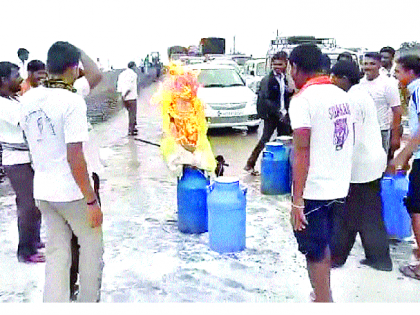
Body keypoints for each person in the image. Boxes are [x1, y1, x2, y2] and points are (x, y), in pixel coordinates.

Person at [20, 41, 104, 302]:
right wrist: (91, 200)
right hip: (72, 192)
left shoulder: (28, 98)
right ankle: (88, 302)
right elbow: (74, 156)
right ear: (72, 68)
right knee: (91, 249)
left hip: (44, 191)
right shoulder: (72, 101)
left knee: (57, 252)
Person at [288, 44, 354, 302]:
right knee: (323, 243)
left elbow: (301, 152)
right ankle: (322, 293)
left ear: (295, 67)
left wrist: (297, 200)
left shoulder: (303, 100)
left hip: (313, 190)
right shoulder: (341, 95)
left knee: (313, 250)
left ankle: (325, 301)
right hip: (339, 187)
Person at [329, 61, 392, 271]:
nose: (332, 82)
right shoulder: (361, 93)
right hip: (372, 162)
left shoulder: (351, 99)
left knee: (350, 215)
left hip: (362, 166)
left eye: (334, 78)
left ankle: (338, 257)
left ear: (344, 79)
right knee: (366, 214)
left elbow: (350, 137)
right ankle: (377, 258)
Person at [0, 61, 45, 263]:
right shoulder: (2, 104)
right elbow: (27, 120)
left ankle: (34, 241)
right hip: (17, 161)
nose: (20, 79)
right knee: (27, 205)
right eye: (15, 75)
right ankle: (25, 251)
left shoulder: (13, 99)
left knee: (34, 204)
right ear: (3, 80)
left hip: (26, 159)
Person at [70, 50, 103, 301]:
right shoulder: (72, 95)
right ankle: (87, 295)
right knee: (89, 241)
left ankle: (69, 287)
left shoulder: (34, 98)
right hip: (81, 181)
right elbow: (96, 73)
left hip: (54, 187)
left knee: (66, 241)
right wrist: (77, 49)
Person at [388, 55, 420, 280]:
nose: (396, 76)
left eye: (398, 71)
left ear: (410, 72)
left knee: (417, 208)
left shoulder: (418, 90)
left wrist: (403, 155)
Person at [244, 51, 292, 175]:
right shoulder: (268, 80)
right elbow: (265, 99)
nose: (277, 67)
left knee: (285, 141)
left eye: (280, 64)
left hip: (283, 114)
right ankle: (250, 163)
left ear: (286, 64)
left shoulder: (284, 79)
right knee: (265, 139)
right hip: (271, 115)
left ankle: (281, 167)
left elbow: (283, 96)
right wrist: (277, 112)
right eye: (274, 64)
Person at [359, 52, 402, 158]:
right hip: (362, 131)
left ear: (379, 65)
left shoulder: (388, 84)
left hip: (381, 131)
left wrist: (395, 137)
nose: (367, 67)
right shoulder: (359, 83)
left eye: (372, 64)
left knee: (380, 165)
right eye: (365, 64)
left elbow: (397, 110)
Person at [117, 61, 138, 136]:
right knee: (132, 114)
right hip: (131, 97)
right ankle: (131, 130)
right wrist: (125, 95)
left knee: (129, 112)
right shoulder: (133, 74)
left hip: (124, 98)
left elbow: (119, 87)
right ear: (133, 66)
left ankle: (134, 127)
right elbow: (130, 87)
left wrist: (121, 96)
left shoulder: (121, 74)